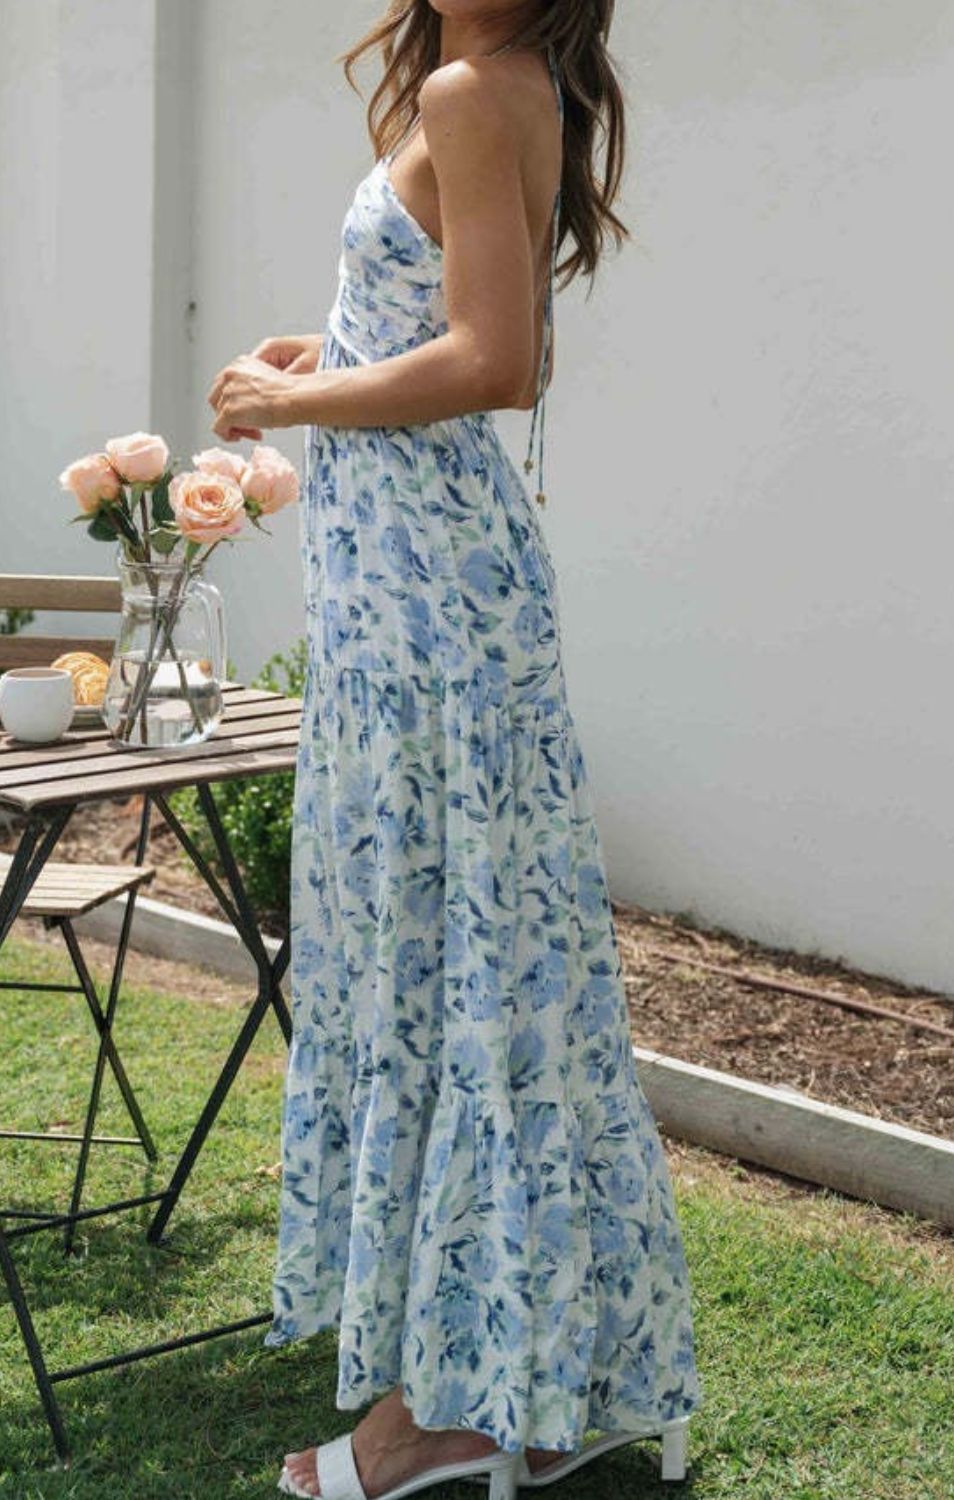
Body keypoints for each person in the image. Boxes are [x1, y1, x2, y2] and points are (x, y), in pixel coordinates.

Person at [207, 3, 702, 1497]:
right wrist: (336, 350)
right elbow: (446, 328)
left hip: (426, 601)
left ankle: (441, 1414)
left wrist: (290, 399)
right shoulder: (502, 82)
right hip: (424, 590)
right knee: (491, 975)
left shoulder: (476, 91)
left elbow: (498, 361)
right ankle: (549, 1382)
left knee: (446, 975)